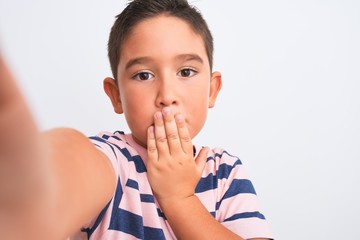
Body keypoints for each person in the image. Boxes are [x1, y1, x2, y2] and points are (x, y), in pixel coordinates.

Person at [0, 0, 273, 239]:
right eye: (144, 75)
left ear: (212, 90)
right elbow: (74, 162)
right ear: (116, 95)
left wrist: (179, 198)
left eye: (186, 71)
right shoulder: (113, 160)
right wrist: (33, 190)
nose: (167, 95)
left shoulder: (226, 174)